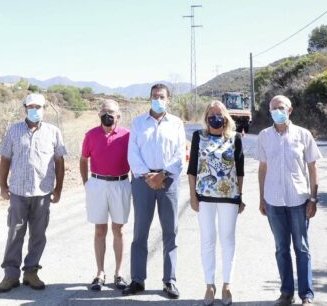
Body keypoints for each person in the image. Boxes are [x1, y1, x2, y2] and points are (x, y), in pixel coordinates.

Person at [0, 92, 67, 293]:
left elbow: (60, 163)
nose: (35, 111)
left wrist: (58, 189)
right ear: (25, 109)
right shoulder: (14, 131)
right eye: (31, 107)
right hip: (18, 192)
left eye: (39, 107)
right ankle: (10, 275)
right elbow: (5, 160)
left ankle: (31, 272)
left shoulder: (53, 132)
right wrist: (2, 186)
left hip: (42, 193)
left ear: (45, 109)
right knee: (15, 233)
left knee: (38, 235)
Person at [123, 83, 186, 299]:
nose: (158, 99)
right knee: (140, 232)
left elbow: (180, 154)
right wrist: (148, 176)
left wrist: (163, 175)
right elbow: (133, 153)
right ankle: (137, 280)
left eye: (162, 96)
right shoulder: (138, 123)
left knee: (170, 232)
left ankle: (170, 281)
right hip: (143, 182)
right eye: (154, 96)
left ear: (168, 99)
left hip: (168, 181)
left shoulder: (176, 124)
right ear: (149, 98)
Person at [257, 95, 322, 305]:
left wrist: (313, 198)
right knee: (281, 248)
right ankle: (286, 293)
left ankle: (306, 295)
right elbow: (263, 168)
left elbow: (313, 167)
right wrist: (261, 198)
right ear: (270, 111)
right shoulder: (264, 136)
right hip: (274, 201)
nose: (278, 111)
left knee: (302, 248)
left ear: (290, 110)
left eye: (281, 107)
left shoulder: (303, 135)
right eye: (274, 108)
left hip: (299, 200)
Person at [188, 101, 246, 306]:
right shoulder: (198, 137)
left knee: (228, 241)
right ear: (206, 118)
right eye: (211, 114)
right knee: (207, 240)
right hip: (204, 198)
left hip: (229, 198)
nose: (215, 117)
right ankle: (209, 285)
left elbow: (240, 171)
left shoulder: (235, 138)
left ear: (226, 117)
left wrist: (239, 197)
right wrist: (193, 196)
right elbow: (192, 170)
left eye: (219, 114)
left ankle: (227, 285)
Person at [80, 99, 132, 291]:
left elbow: (134, 160)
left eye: (111, 112)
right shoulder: (91, 135)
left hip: (121, 184)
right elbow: (83, 159)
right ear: (99, 114)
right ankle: (100, 273)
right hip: (97, 184)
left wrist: (132, 185)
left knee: (119, 230)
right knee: (100, 230)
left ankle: (119, 274)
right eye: (103, 111)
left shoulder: (127, 135)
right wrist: (87, 183)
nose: (107, 115)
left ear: (118, 116)